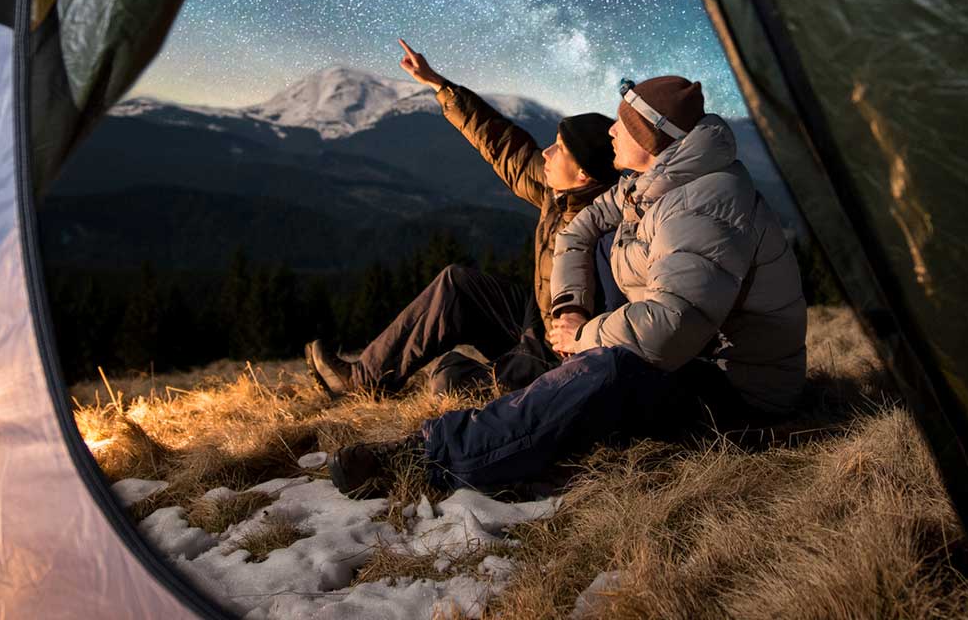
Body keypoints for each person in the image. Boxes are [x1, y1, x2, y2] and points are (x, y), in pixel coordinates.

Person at [330, 74, 806, 497]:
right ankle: (432, 384)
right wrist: (572, 308)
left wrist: (583, 338)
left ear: (652, 138)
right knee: (597, 276)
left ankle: (430, 458)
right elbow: (578, 231)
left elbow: (671, 327)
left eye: (623, 125)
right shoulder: (652, 180)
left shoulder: (704, 205)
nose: (612, 130)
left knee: (605, 369)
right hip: (678, 348)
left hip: (733, 393)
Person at [303, 39, 621, 399]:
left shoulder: (606, 227)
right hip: (535, 317)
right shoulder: (559, 192)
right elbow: (506, 146)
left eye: (559, 149)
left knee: (450, 382)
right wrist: (441, 86)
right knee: (458, 284)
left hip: (559, 354)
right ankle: (364, 380)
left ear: (584, 174)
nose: (546, 152)